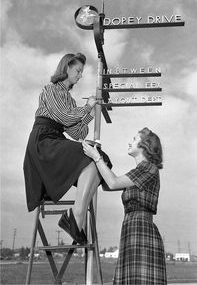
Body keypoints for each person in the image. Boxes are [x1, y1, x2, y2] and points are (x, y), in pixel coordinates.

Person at [23, 52, 111, 245]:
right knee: (88, 156)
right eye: (78, 71)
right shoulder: (50, 89)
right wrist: (86, 108)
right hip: (43, 142)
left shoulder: (70, 100)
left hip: (57, 139)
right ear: (66, 68)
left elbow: (78, 132)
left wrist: (92, 111)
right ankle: (77, 215)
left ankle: (75, 217)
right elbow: (65, 117)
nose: (80, 76)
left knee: (99, 157)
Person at [82, 127, 167, 284]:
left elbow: (113, 183)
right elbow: (107, 185)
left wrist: (97, 158)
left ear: (144, 145)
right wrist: (99, 159)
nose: (130, 142)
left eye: (134, 139)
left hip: (141, 230)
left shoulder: (148, 168)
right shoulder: (139, 171)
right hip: (132, 229)